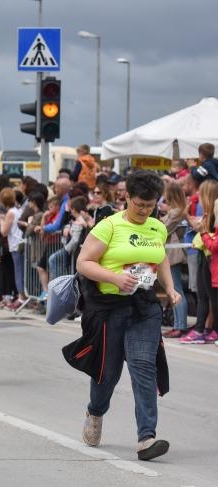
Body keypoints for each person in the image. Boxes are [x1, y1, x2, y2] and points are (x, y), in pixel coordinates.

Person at [73, 171, 178, 461]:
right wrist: (115, 278)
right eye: (139, 205)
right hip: (109, 308)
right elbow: (84, 263)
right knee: (107, 374)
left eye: (150, 205)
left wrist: (169, 288)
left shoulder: (157, 227)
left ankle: (147, 438)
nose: (145, 211)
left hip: (144, 308)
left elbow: (162, 258)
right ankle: (95, 411)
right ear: (127, 198)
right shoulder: (109, 226)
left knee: (144, 366)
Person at [180, 179, 218, 344]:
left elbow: (212, 242)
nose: (199, 198)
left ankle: (203, 329)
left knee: (209, 297)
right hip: (205, 255)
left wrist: (202, 232)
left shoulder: (212, 215)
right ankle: (204, 328)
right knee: (204, 295)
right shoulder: (209, 213)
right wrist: (187, 215)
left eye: (201, 195)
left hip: (209, 256)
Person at [160, 181, 189, 338]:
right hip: (169, 254)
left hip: (173, 255)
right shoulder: (175, 211)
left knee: (176, 289)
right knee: (174, 289)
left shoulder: (177, 211)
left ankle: (180, 326)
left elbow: (163, 229)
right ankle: (178, 324)